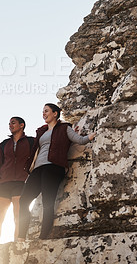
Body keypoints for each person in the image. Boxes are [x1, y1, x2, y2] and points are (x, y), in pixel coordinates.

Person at [18, 103, 96, 241]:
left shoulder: (64, 128)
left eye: (46, 111)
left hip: (53, 167)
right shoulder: (41, 131)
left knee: (48, 201)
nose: (43, 113)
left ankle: (43, 237)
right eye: (42, 111)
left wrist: (94, 134)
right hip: (38, 169)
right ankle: (21, 237)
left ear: (55, 113)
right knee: (24, 200)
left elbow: (80, 140)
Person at [0, 117, 34, 248]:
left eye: (13, 123)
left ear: (21, 125)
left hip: (21, 182)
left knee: (18, 217)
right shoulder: (3, 144)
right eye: (9, 123)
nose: (10, 125)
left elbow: (47, 144)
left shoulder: (31, 141)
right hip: (4, 184)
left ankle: (17, 247)